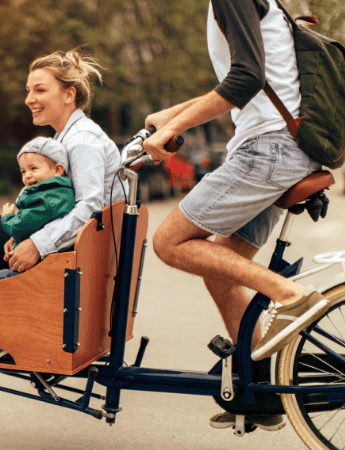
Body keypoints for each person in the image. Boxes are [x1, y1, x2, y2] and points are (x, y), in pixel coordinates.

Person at [141, 0, 332, 431]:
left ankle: (290, 296)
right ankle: (260, 387)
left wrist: (172, 128)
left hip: (269, 148)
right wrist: (172, 116)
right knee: (220, 268)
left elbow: (247, 79)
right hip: (283, 147)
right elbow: (245, 81)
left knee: (168, 243)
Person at [0, 49, 127, 278]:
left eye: (40, 90)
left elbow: (90, 208)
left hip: (86, 257)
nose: (29, 99)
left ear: (69, 95)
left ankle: (16, 298)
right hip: (81, 249)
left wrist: (37, 244)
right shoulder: (66, 138)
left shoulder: (82, 141)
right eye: (28, 91)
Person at [0, 137, 76, 282]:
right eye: (23, 171)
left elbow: (19, 224)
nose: (27, 175)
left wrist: (7, 217)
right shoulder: (59, 193)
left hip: (39, 267)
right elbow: (37, 223)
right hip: (47, 262)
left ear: (58, 170)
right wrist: (15, 238)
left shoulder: (46, 199)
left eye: (33, 168)